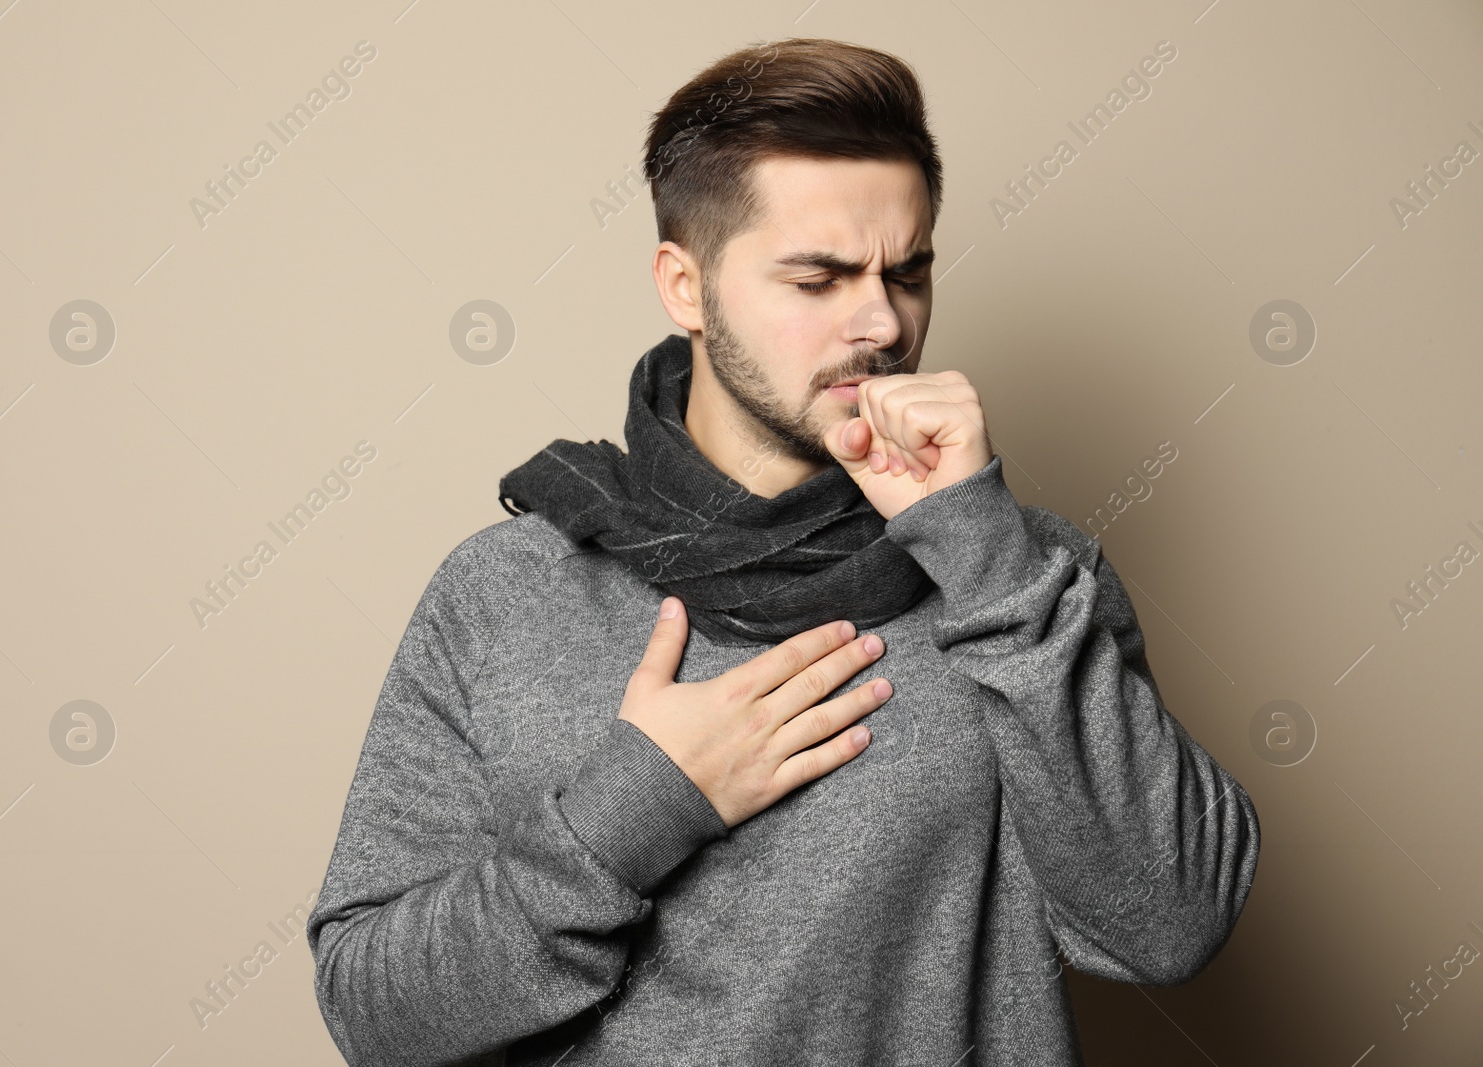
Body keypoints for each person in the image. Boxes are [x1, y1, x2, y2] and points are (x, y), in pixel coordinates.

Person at [306, 35, 1261, 1067]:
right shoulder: (501, 596)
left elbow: (1170, 922)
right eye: (819, 278)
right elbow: (376, 1012)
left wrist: (981, 547)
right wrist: (636, 808)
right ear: (685, 285)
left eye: (908, 271)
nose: (882, 321)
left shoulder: (1018, 572)